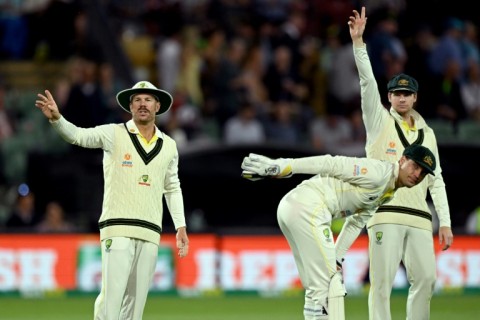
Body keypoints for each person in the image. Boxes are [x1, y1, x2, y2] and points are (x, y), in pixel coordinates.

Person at [35, 80, 189, 320]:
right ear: (130, 106)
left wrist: (180, 225)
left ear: (158, 106)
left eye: (148, 99)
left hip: (150, 233)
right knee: (111, 301)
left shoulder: (169, 145)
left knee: (135, 309)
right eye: (137, 99)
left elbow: (172, 187)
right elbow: (78, 136)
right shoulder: (114, 133)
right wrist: (57, 119)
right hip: (117, 228)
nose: (142, 104)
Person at [241, 144, 437, 320]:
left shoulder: (388, 189)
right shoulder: (379, 172)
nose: (417, 174)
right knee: (329, 286)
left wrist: (337, 257)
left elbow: (356, 222)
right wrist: (285, 166)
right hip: (308, 208)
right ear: (402, 160)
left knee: (317, 289)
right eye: (415, 166)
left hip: (294, 208)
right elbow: (330, 163)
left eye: (423, 172)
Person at [343, 7, 454, 320]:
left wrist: (443, 221)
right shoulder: (378, 122)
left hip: (420, 216)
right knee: (381, 285)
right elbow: (367, 82)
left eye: (407, 93)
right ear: (389, 98)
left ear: (415, 98)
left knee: (428, 280)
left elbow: (437, 179)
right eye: (396, 93)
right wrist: (358, 44)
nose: (401, 98)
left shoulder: (428, 133)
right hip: (385, 213)